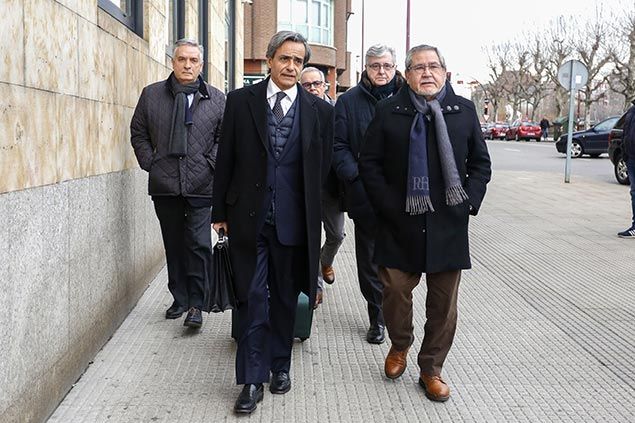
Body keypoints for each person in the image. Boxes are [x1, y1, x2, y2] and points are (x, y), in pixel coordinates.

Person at [358, 44, 491, 402]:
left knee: (443, 305)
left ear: (445, 72)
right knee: (394, 291)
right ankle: (400, 344)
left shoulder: (463, 111)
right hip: (398, 224)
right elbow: (369, 163)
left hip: (448, 225)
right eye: (419, 67)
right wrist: (387, 205)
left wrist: (468, 202)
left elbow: (481, 164)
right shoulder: (389, 110)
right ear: (407, 75)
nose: (427, 73)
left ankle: (431, 368)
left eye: (433, 66)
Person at [211, 31, 333, 414]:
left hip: (295, 224)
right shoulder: (240, 102)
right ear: (269, 60)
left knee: (284, 298)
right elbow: (226, 159)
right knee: (251, 297)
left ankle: (280, 365)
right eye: (284, 58)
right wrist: (219, 213)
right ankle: (251, 378)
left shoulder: (320, 112)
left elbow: (322, 171)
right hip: (249, 220)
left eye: (298, 60)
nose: (291, 67)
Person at [130, 38, 225, 329]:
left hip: (202, 184)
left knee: (198, 243)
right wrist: (152, 163)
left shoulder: (217, 99)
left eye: (193, 60)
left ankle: (197, 303)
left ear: (201, 65)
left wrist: (209, 164)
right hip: (165, 184)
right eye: (182, 59)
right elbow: (138, 133)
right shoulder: (151, 95)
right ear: (172, 62)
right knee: (173, 243)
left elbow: (224, 139)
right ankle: (180, 298)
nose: (187, 65)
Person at [332, 45, 405, 344]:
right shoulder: (348, 102)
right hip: (365, 196)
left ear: (395, 67)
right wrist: (356, 179)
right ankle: (378, 317)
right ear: (366, 67)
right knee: (370, 262)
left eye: (387, 65)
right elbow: (338, 146)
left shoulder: (409, 97)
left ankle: (399, 315)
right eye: (375, 66)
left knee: (400, 262)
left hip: (403, 197)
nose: (381, 71)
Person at [300, 67, 344, 308]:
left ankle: (325, 261)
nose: (313, 88)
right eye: (307, 85)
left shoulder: (338, 110)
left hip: (331, 187)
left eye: (316, 83)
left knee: (336, 234)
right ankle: (315, 287)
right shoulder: (297, 110)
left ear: (325, 85)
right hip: (304, 187)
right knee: (309, 236)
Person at [618, 100, 635, 238]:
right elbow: (625, 132)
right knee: (634, 193)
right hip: (631, 157)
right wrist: (624, 153)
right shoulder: (631, 111)